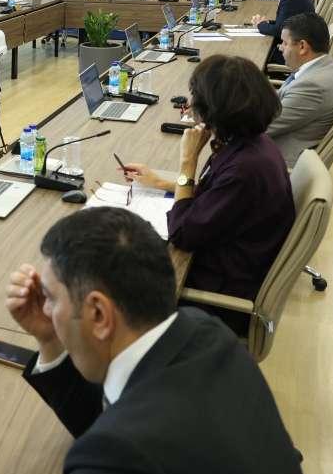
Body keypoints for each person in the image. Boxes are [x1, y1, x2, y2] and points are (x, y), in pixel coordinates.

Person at [0, 208, 305, 474]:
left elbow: (118, 446)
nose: (45, 308)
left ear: (99, 313)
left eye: (51, 298)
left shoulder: (117, 460)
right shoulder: (205, 332)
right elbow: (111, 419)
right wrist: (50, 339)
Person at [122, 55, 294, 335]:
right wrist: (160, 182)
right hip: (234, 265)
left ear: (213, 109)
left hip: (216, 299)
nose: (191, 105)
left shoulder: (244, 170)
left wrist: (187, 161)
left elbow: (182, 233)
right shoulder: (253, 144)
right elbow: (214, 195)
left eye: (196, 98)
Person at [266, 12, 333, 168]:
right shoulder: (324, 66)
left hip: (274, 161)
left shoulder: (313, 86)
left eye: (285, 43)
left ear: (302, 47)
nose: (280, 48)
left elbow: (261, 127)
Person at [251, 0, 314, 64]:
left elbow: (279, 31)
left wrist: (260, 25)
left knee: (256, 53)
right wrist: (267, 22)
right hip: (300, 43)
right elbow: (285, 23)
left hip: (296, 52)